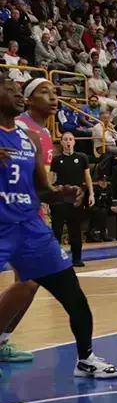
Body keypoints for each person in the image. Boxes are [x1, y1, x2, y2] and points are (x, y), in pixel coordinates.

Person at [0, 76, 117, 379]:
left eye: (18, 91)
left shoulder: (29, 138)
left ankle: (86, 358)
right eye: (9, 90)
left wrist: (61, 194)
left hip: (29, 226)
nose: (16, 94)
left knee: (72, 293)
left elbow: (40, 189)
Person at [0, 77, 59, 364]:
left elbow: (36, 181)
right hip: (7, 214)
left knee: (30, 281)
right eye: (45, 92)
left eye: (54, 91)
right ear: (30, 98)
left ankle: (2, 341)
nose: (53, 97)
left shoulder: (41, 135)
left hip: (28, 213)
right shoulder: (17, 124)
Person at [50, 133, 94, 267]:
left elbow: (87, 177)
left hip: (76, 198)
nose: (68, 142)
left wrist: (91, 193)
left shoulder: (82, 157)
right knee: (56, 229)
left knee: (75, 229)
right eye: (65, 140)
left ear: (74, 142)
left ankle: (77, 258)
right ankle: (55, 259)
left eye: (70, 139)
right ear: (61, 143)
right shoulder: (56, 159)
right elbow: (51, 179)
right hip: (60, 198)